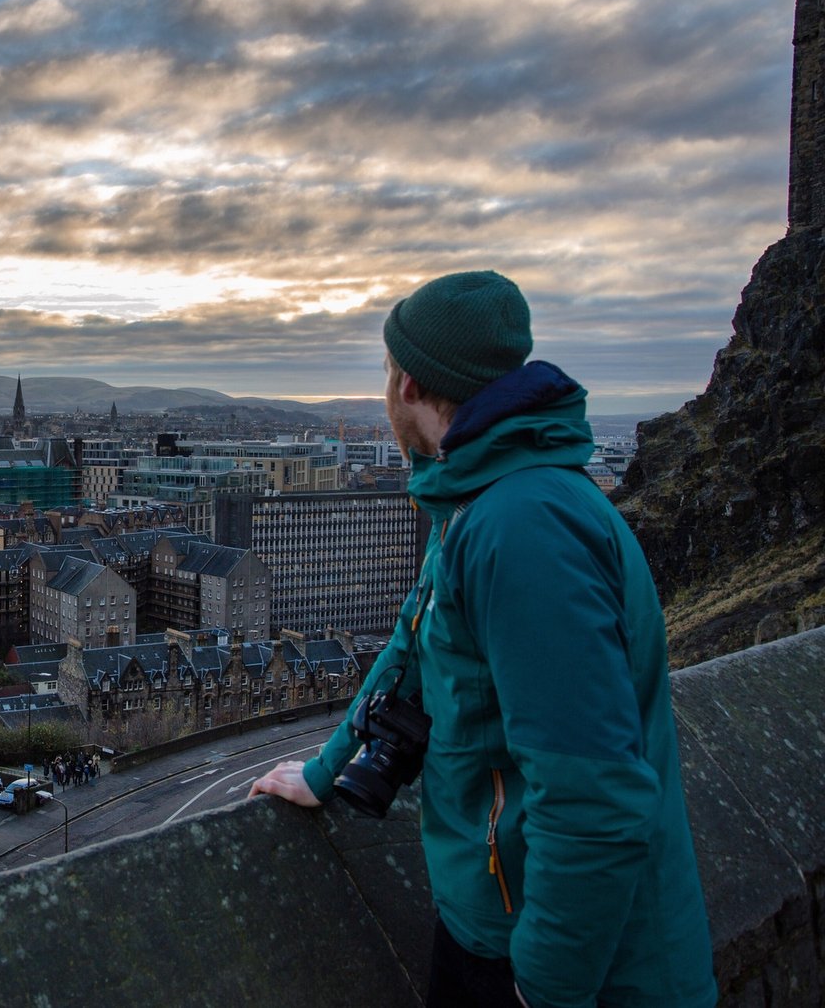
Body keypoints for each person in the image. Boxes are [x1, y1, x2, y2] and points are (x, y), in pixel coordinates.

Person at [250, 271, 716, 1008]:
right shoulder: (482, 502)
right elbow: (413, 646)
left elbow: (594, 795)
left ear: (407, 385)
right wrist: (328, 766)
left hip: (562, 964)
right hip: (493, 921)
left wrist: (547, 985)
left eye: (385, 370)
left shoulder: (524, 528)